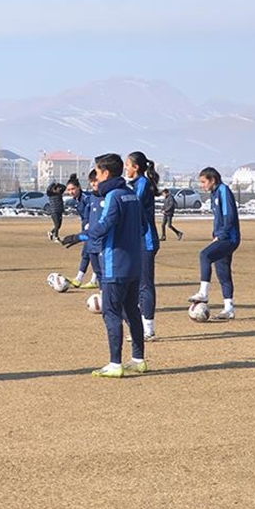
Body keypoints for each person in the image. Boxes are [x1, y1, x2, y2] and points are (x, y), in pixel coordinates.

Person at [61, 153, 146, 378]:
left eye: (97, 173)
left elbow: (106, 224)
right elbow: (144, 226)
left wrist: (80, 237)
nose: (96, 178)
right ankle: (138, 360)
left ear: (106, 173)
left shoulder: (113, 196)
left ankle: (115, 364)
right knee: (132, 312)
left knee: (111, 312)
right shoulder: (132, 195)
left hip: (114, 264)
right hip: (134, 264)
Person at [188, 167, 241, 320]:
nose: (202, 185)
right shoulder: (214, 193)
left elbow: (229, 216)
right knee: (222, 271)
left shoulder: (223, 190)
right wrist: (215, 234)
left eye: (204, 182)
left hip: (229, 238)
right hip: (221, 236)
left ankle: (203, 293)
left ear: (212, 180)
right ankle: (229, 308)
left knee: (205, 255)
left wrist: (222, 235)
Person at [125, 151, 160, 341]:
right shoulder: (136, 184)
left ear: (136, 167)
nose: (125, 168)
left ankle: (148, 328)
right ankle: (140, 325)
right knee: (135, 284)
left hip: (146, 241)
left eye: (127, 165)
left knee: (145, 284)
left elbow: (134, 207)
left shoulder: (142, 184)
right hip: (136, 241)